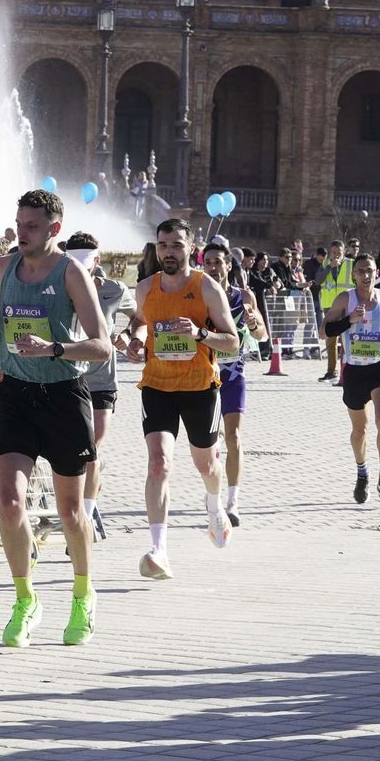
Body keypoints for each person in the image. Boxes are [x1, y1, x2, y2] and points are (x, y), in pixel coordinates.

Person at [0, 190, 112, 647]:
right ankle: (24, 598)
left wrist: (53, 347)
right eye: (17, 224)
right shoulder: (2, 267)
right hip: (15, 395)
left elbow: (102, 345)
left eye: (31, 226)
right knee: (8, 501)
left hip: (62, 395)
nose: (21, 233)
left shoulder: (71, 273)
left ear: (54, 229)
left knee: (72, 512)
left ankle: (82, 594)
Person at [124, 218, 240, 580]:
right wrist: (136, 340)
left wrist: (201, 333)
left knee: (205, 466)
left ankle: (213, 505)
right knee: (159, 464)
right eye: (162, 245)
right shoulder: (145, 288)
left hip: (199, 387)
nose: (168, 252)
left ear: (192, 249)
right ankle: (159, 550)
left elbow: (233, 343)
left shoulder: (206, 288)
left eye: (176, 245)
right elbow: (140, 323)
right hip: (157, 385)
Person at [64, 231, 134, 543]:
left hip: (102, 380)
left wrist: (130, 336)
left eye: (86, 260)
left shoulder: (115, 289)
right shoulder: (56, 284)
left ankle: (86, 518)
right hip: (66, 377)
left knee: (92, 450)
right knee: (76, 452)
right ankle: (76, 509)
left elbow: (140, 318)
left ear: (98, 259)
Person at [322, 253, 380, 502]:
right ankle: (362, 473)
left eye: (369, 270)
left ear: (376, 273)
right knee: (360, 431)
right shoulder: (345, 299)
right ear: (354, 275)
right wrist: (349, 320)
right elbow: (323, 330)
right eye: (360, 271)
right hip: (355, 371)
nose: (365, 275)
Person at [201, 242, 267, 527]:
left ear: (229, 265)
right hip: (204, 376)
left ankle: (233, 501)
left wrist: (253, 324)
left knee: (234, 437)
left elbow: (263, 335)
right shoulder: (199, 295)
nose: (214, 267)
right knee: (209, 443)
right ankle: (212, 494)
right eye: (208, 263)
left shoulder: (245, 296)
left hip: (233, 375)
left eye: (218, 262)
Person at [316, 241, 353, 379]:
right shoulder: (326, 263)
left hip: (346, 305)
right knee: (330, 338)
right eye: (333, 252)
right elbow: (318, 280)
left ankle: (347, 370)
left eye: (339, 252)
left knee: (346, 339)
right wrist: (329, 268)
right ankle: (331, 371)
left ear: (344, 251)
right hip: (330, 306)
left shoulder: (350, 264)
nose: (336, 255)